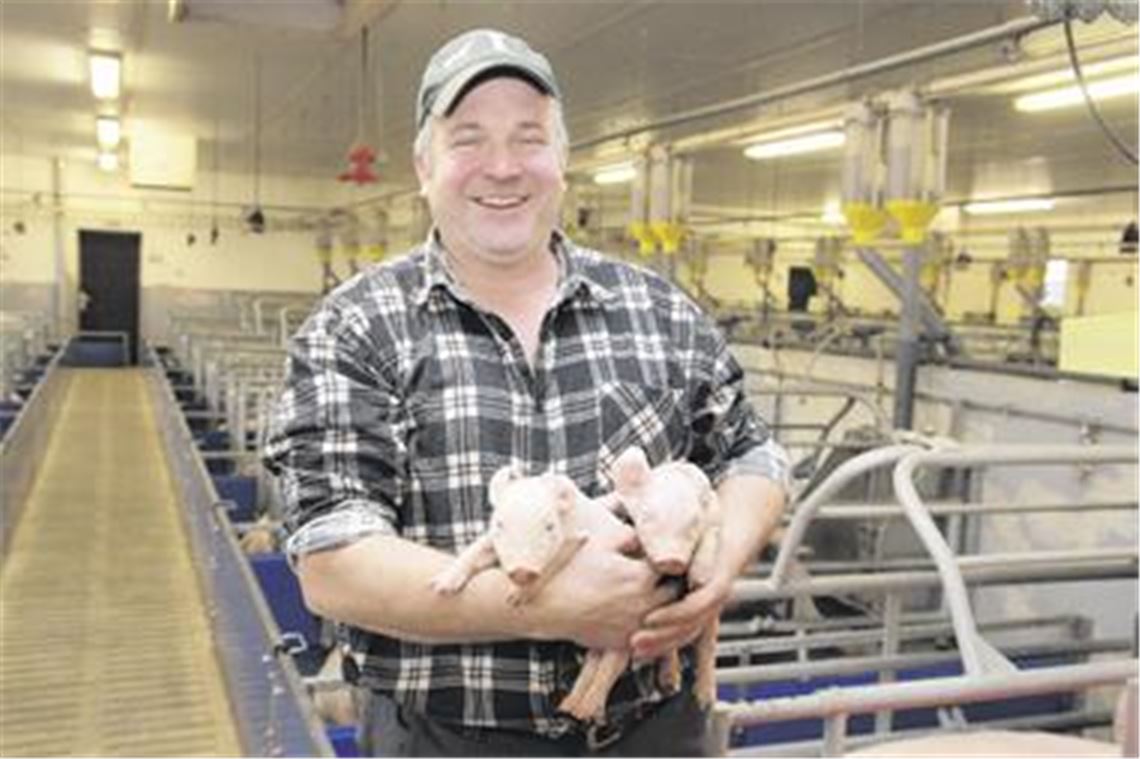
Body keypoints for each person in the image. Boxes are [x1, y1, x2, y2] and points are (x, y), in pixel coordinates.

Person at [263, 27, 788, 757]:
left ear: (563, 161)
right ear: (424, 165)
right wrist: (546, 607)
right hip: (446, 742)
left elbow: (753, 455)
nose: (503, 167)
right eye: (469, 139)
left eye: (529, 138)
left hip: (657, 732)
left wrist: (718, 567)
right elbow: (332, 560)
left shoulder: (661, 311)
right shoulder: (354, 327)